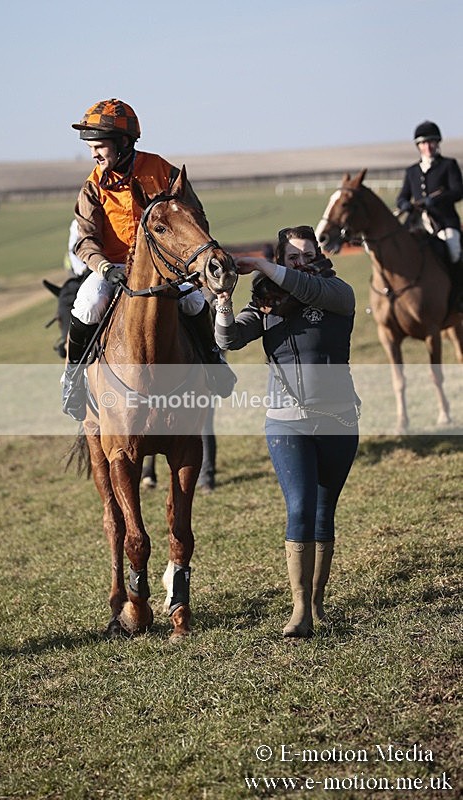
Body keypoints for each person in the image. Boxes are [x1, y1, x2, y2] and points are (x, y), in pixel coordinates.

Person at [215, 225, 360, 638]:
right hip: (286, 420)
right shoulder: (267, 302)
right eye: (291, 256)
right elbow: (229, 337)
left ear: (317, 255)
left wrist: (261, 264)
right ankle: (299, 611)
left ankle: (317, 605)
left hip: (338, 419)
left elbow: (309, 290)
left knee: (323, 512)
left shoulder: (337, 292)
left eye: (306, 255)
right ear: (283, 260)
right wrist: (223, 302)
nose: (300, 262)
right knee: (299, 507)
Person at [63, 98, 232, 420]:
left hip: (166, 267)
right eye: (91, 149)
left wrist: (185, 260)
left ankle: (214, 361)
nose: (95, 154)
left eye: (99, 146)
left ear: (124, 143)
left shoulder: (163, 171)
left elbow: (195, 219)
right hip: (111, 267)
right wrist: (103, 268)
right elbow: (84, 239)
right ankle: (72, 379)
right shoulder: (92, 186)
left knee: (195, 302)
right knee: (87, 304)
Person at [396, 121, 463, 306]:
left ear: (438, 143)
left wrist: (435, 201)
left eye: (432, 142)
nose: (428, 146)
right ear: (418, 146)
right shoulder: (412, 171)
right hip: (417, 223)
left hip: (444, 222)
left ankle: (458, 296)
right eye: (424, 143)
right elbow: (402, 197)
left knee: (454, 252)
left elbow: (458, 191)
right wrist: (404, 204)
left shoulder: (449, 165)